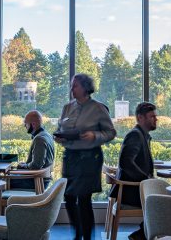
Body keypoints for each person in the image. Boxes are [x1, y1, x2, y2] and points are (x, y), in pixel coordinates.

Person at [56, 73, 116, 240]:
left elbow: (111, 133)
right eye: (71, 85)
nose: (71, 89)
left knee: (83, 199)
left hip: (90, 158)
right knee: (68, 196)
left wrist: (94, 136)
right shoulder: (67, 107)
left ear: (85, 88)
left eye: (75, 86)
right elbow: (60, 128)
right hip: (71, 157)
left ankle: (86, 237)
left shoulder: (98, 108)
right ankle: (78, 231)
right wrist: (59, 137)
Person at [110, 102, 157, 240]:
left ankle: (144, 233)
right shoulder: (135, 135)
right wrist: (146, 180)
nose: (155, 119)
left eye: (155, 116)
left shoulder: (141, 135)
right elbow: (125, 162)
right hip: (131, 192)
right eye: (151, 116)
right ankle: (143, 234)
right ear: (140, 118)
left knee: (164, 197)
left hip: (134, 189)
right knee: (164, 200)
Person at [10, 110, 55, 189]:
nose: (25, 126)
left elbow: (36, 165)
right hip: (42, 179)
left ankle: (3, 201)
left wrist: (24, 166)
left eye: (26, 123)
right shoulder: (47, 135)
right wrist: (26, 165)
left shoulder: (39, 139)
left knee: (1, 181)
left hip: (37, 181)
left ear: (33, 124)